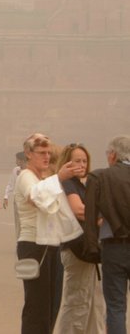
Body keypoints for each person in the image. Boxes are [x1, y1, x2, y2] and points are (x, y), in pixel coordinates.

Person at [15, 132, 84, 334]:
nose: (46, 156)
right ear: (28, 154)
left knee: (52, 304)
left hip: (52, 244)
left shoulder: (46, 176)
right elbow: (36, 197)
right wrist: (59, 177)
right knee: (37, 305)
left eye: (48, 153)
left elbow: (61, 159)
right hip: (33, 245)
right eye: (41, 152)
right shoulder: (25, 176)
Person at [53, 144, 103, 333]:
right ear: (67, 162)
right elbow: (79, 210)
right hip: (76, 249)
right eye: (77, 161)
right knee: (77, 302)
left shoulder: (82, 184)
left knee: (92, 301)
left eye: (84, 161)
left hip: (87, 249)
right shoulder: (68, 183)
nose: (82, 164)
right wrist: (102, 218)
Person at [84, 135, 130, 334]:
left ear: (113, 155)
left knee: (116, 306)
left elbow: (90, 216)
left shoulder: (99, 177)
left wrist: (92, 248)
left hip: (114, 247)